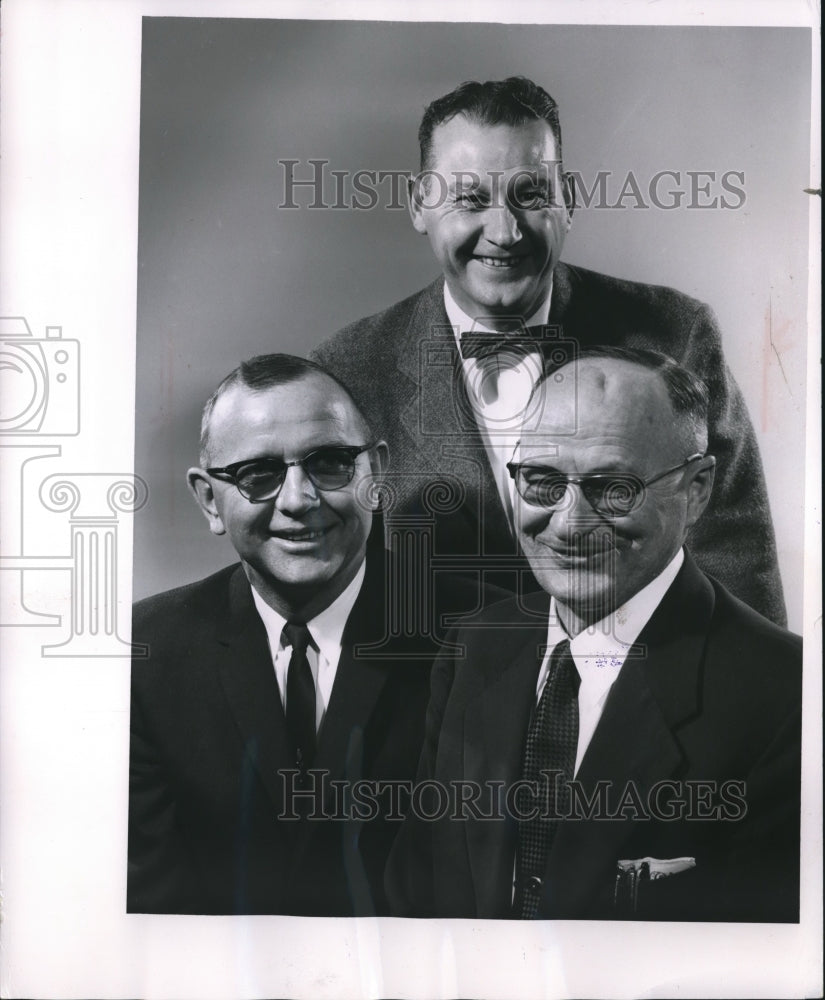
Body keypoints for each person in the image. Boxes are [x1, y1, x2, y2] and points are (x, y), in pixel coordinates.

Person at [311, 75, 786, 626]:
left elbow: (738, 567)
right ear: (420, 206)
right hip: (429, 704)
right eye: (469, 198)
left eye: (530, 195)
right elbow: (335, 599)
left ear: (569, 202)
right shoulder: (347, 370)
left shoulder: (676, 334)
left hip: (638, 697)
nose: (505, 232)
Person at [386, 347, 801, 922]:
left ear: (698, 487)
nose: (569, 523)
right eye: (541, 482)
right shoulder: (473, 645)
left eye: (614, 489)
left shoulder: (788, 697)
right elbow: (417, 893)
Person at [127, 353, 487, 916]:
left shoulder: (488, 637)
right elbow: (150, 904)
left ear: (378, 474)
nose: (298, 500)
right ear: (208, 501)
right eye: (258, 475)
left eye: (330, 464)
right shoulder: (144, 655)